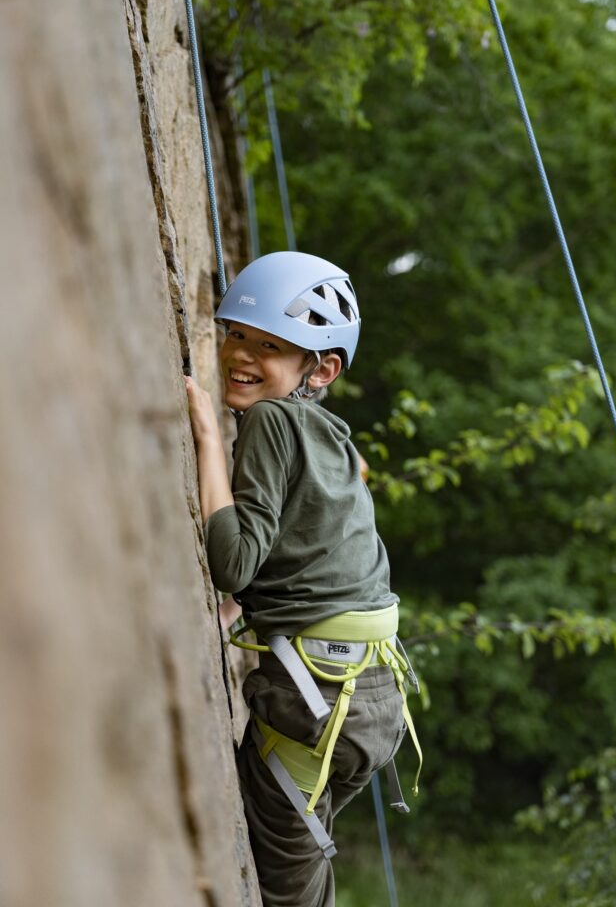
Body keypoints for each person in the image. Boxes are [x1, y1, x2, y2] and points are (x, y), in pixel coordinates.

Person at [184, 251, 419, 907]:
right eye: (235, 333)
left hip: (319, 692)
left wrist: (207, 441)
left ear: (321, 368)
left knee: (283, 878)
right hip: (366, 693)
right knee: (301, 855)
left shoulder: (269, 420)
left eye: (270, 346)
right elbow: (309, 543)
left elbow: (234, 562)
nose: (240, 355)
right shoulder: (334, 436)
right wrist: (243, 613)